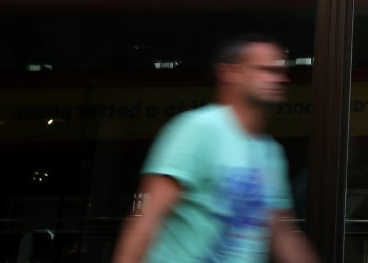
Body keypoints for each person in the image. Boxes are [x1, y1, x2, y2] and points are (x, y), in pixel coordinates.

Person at [112, 35, 320, 263]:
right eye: (265, 70)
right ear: (230, 73)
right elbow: (146, 215)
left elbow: (283, 234)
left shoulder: (270, 153)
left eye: (280, 71)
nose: (280, 79)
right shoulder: (196, 129)